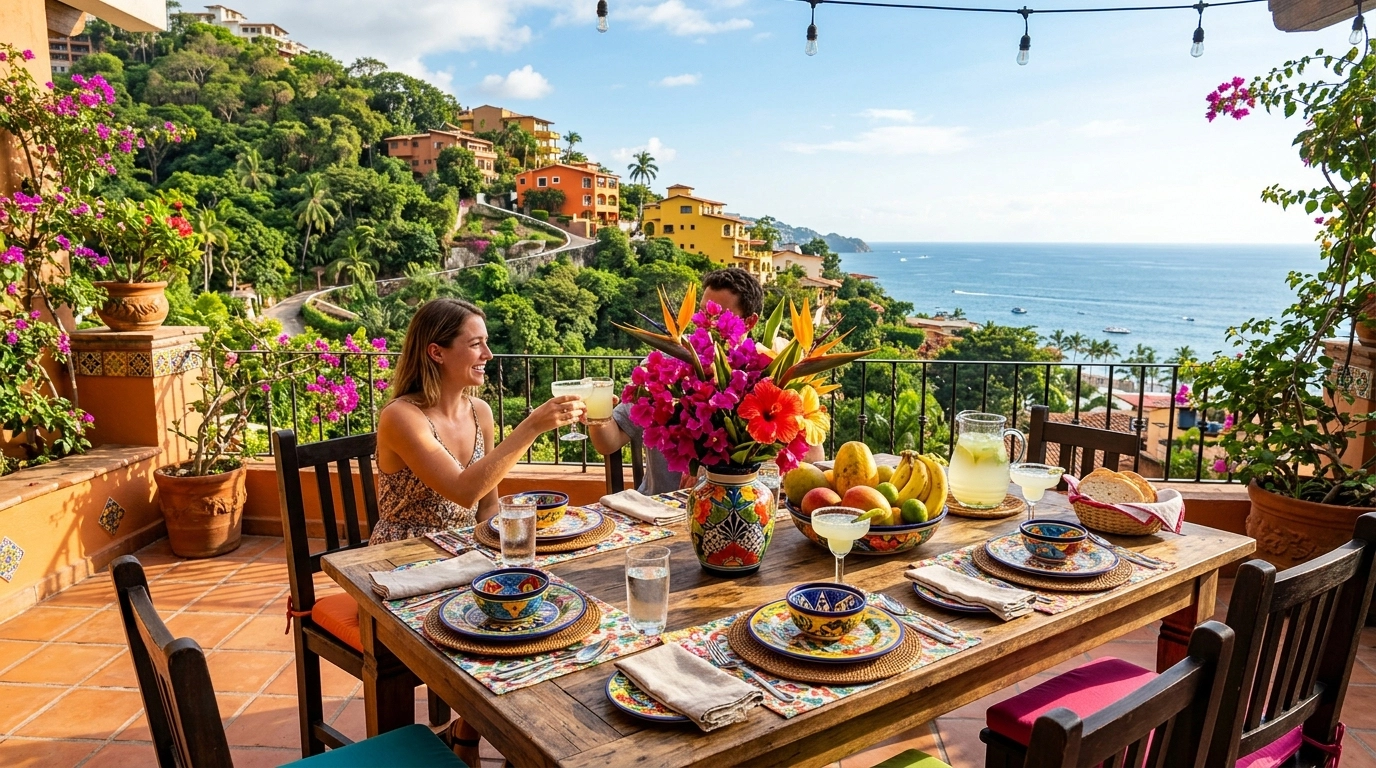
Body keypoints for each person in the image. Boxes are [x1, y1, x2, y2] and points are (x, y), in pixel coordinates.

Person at [371, 298, 585, 545]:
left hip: (464, 549)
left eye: (487, 342)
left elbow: (487, 506)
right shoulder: (401, 416)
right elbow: (464, 492)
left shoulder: (479, 411)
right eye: (475, 344)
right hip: (406, 554)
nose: (489, 354)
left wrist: (506, 550)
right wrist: (532, 426)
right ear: (437, 352)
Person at [590, 267, 767, 495]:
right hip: (658, 507)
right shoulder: (664, 364)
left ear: (750, 322)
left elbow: (811, 457)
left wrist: (709, 471)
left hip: (738, 504)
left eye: (718, 316)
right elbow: (608, 442)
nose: (707, 324)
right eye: (704, 313)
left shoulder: (762, 372)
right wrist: (596, 410)